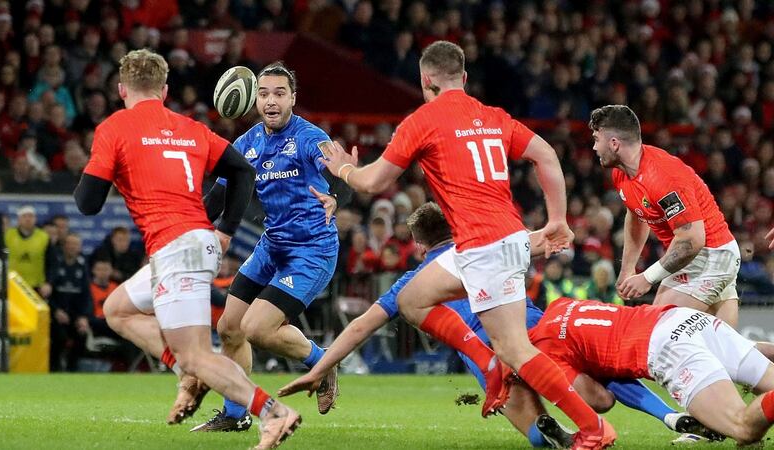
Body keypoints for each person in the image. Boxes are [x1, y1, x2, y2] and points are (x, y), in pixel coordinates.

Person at [318, 40, 612, 448]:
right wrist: (557, 219)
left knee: (516, 350)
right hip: (502, 239)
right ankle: (489, 367)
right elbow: (546, 155)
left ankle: (593, 427)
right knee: (412, 299)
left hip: (483, 246)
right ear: (464, 78)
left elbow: (373, 182)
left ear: (425, 79)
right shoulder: (492, 116)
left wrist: (344, 169)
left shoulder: (423, 120)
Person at [280, 203, 716, 447]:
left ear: (419, 246)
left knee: (534, 424)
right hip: (534, 330)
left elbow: (360, 326)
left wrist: (320, 368)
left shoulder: (413, 282)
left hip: (486, 356)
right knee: (599, 382)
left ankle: (556, 435)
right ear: (455, 229)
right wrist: (553, 232)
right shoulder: (488, 247)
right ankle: (669, 416)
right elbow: (542, 240)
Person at [73, 49, 298, 449]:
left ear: (121, 89)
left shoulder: (115, 128)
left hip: (177, 249)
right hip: (194, 243)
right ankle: (186, 374)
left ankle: (273, 412)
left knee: (198, 354)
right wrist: (227, 230)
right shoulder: (189, 127)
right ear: (164, 90)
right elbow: (242, 171)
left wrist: (102, 169)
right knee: (118, 308)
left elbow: (88, 203)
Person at [191, 62, 352, 432]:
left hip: (311, 250)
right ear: (255, 99)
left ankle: (323, 362)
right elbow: (218, 197)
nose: (271, 101)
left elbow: (342, 173)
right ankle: (235, 415)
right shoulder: (246, 145)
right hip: (271, 246)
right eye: (263, 94)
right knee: (230, 327)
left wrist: (337, 197)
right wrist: (186, 226)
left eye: (280, 93)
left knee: (257, 329)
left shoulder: (309, 137)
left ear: (293, 98)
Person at [529, 297, 774, 446]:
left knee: (743, 428)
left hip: (666, 345)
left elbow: (600, 400)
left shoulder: (545, 348)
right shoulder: (560, 305)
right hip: (687, 318)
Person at [589, 105, 741, 326]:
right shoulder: (622, 173)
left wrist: (647, 278)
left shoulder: (662, 177)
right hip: (703, 255)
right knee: (725, 346)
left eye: (596, 139)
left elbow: (692, 240)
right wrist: (628, 268)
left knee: (656, 333)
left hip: (708, 255)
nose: (594, 147)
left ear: (614, 144)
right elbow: (637, 214)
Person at [47, 233, 93, 371]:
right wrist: (55, 311)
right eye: (70, 243)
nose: (72, 247)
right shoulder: (55, 264)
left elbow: (86, 295)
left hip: (74, 314)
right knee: (59, 336)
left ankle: (72, 369)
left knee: (82, 334)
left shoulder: (82, 266)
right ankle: (54, 368)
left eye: (76, 244)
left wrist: (83, 317)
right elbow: (48, 292)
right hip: (56, 314)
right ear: (64, 246)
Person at [4, 205, 53, 298]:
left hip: (36, 286)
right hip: (12, 284)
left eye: (30, 216)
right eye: (24, 216)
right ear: (18, 219)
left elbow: (51, 262)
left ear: (35, 219)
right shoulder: (8, 235)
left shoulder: (44, 237)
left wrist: (48, 283)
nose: (28, 219)